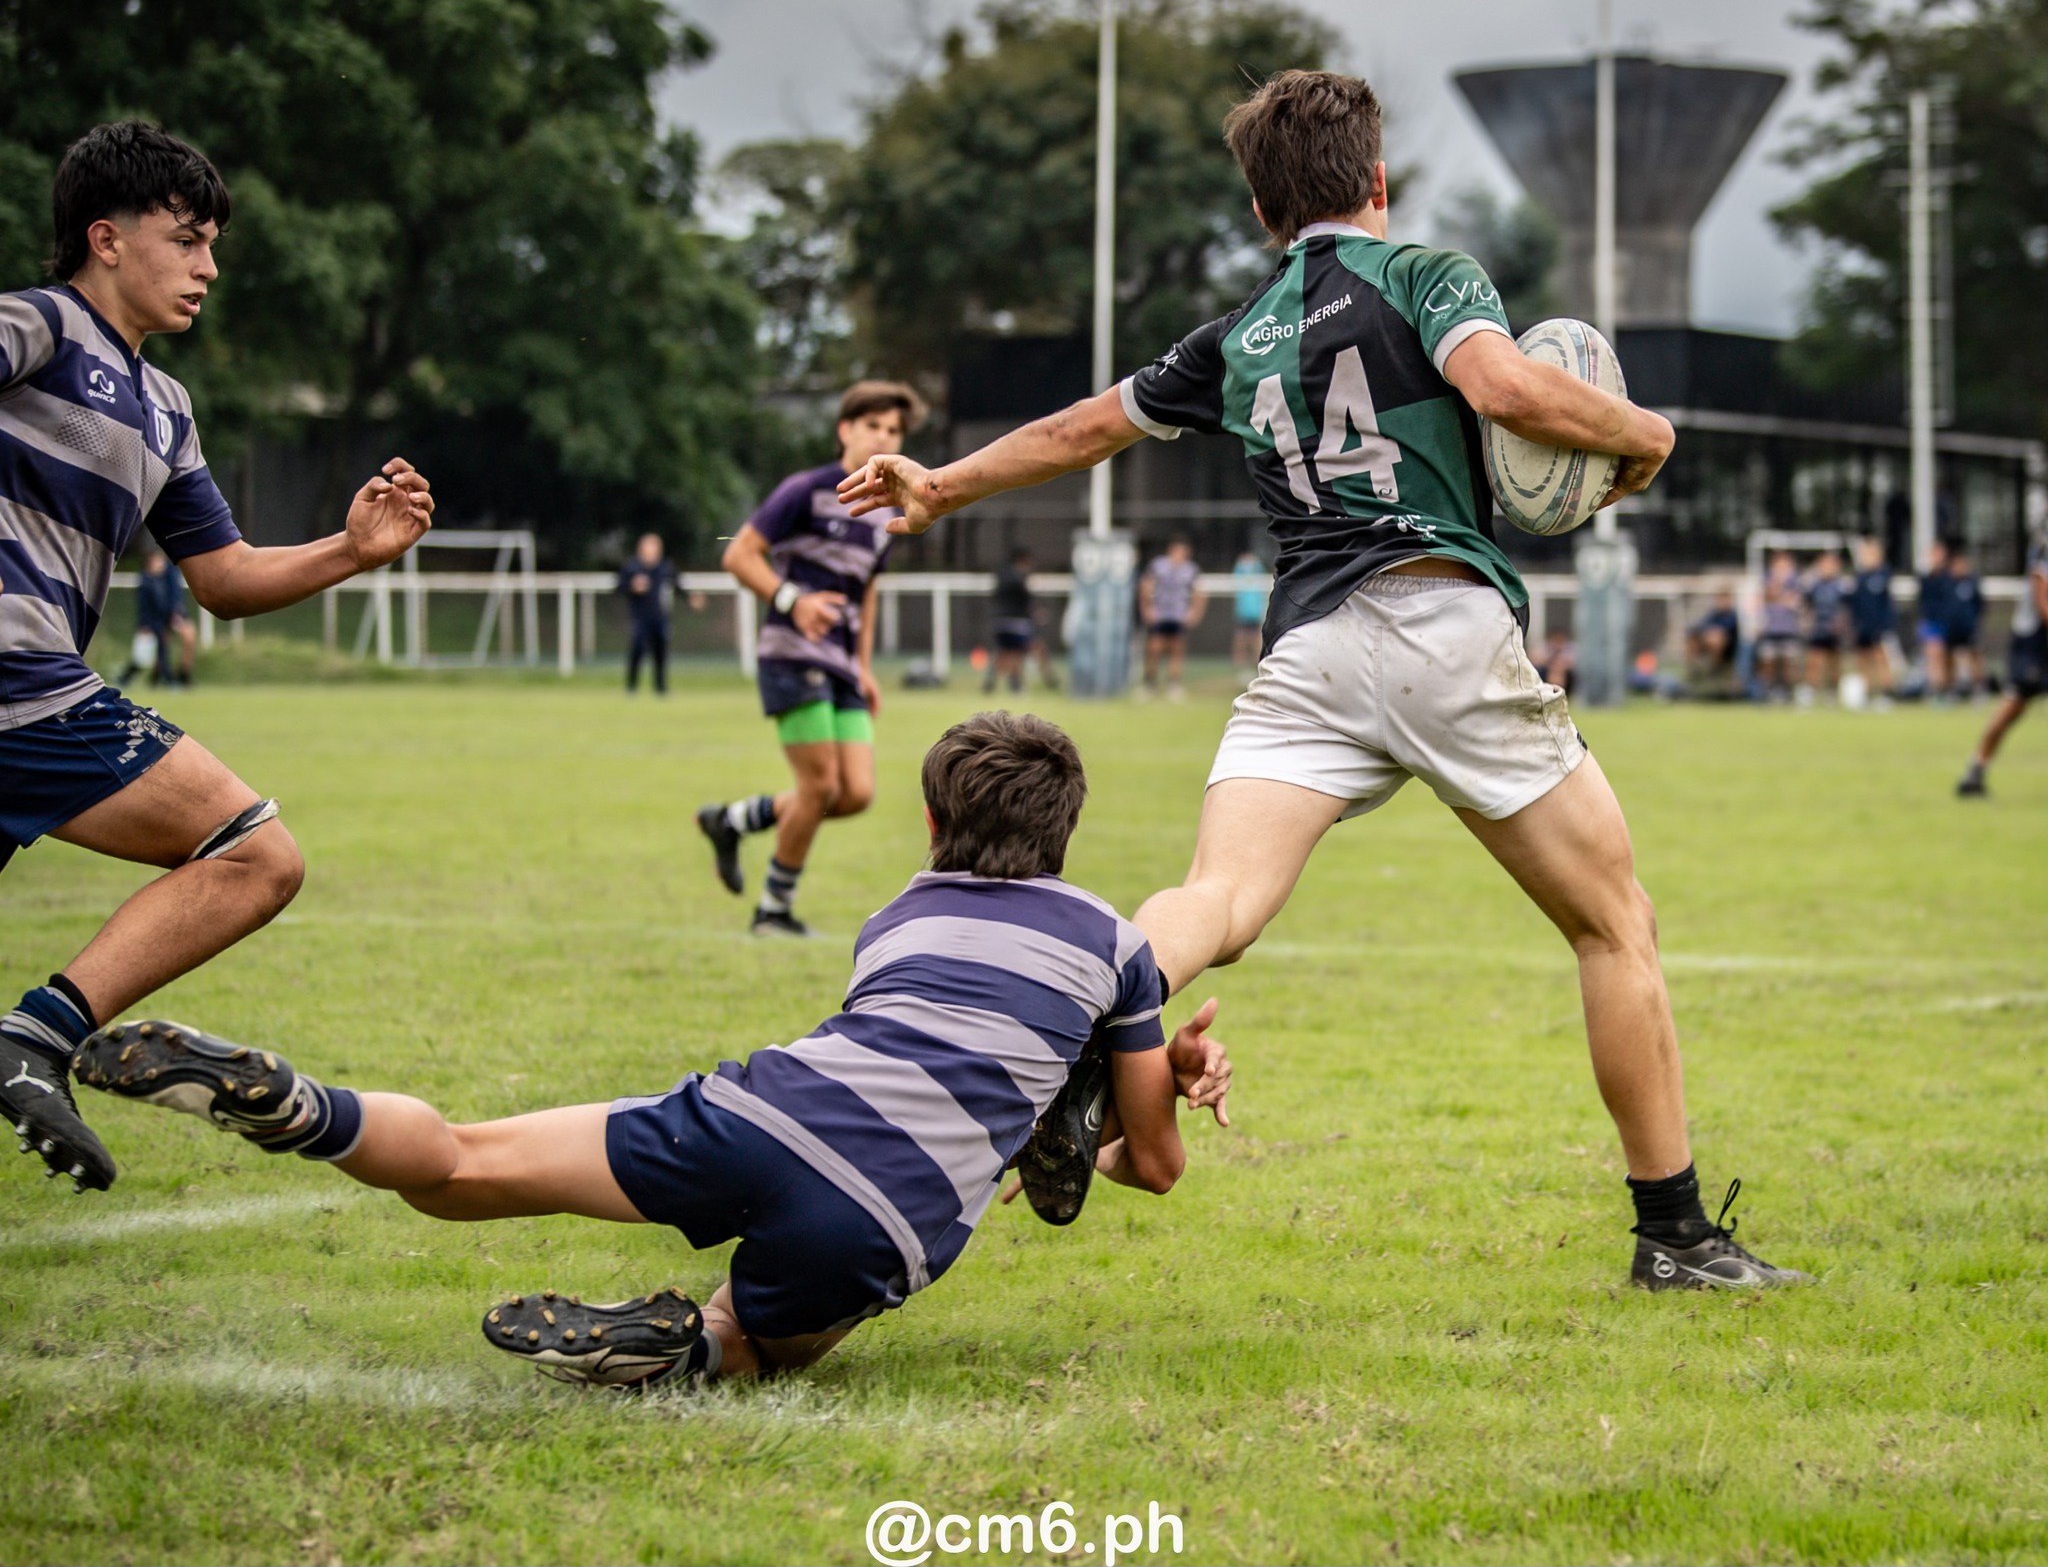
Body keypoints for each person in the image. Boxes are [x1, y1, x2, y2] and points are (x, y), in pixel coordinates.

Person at [841, 67, 1803, 1291]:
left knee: (1217, 901)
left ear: (1261, 212)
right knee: (1613, 924)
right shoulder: (1426, 275)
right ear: (1377, 184)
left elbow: (1083, 427)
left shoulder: (1235, 336)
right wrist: (1646, 434)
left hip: (1307, 651)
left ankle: (1072, 1053)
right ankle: (1673, 1234)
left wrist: (940, 483)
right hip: (1438, 621)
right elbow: (1501, 387)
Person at [69, 713, 1234, 1388]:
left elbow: (942, 1048)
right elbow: (1144, 1165)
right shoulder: (1116, 944)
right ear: (1065, 829)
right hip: (887, 1210)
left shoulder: (899, 918)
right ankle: (693, 1342)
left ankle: (307, 1106)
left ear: (931, 825)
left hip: (769, 1104)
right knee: (772, 1338)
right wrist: (1153, 1077)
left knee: (464, 1166)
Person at [0, 121, 434, 1193]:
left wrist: (351, 547)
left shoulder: (165, 407)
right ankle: (34, 1037)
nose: (209, 266)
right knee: (256, 852)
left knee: (254, 855)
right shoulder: (40, 325)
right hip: (20, 678)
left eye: (212, 245)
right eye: (187, 238)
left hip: (30, 684)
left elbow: (225, 578)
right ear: (105, 237)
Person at [695, 382, 924, 937]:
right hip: (791, 654)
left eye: (894, 431)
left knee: (855, 794)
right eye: (874, 426)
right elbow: (738, 553)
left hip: (842, 662)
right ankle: (774, 911)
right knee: (819, 787)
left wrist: (864, 666)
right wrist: (792, 601)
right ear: (845, 430)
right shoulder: (804, 490)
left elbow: (866, 592)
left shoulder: (886, 511)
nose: (885, 438)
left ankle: (732, 820)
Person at [1956, 523, 2048, 797]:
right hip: (2034, 642)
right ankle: (1975, 771)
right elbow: (2043, 601)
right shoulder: (2044, 549)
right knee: (2013, 707)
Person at [115, 549, 195, 688]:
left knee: (170, 646)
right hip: (155, 621)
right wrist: (144, 624)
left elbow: (175, 597)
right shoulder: (146, 582)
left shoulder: (170, 575)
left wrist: (175, 614)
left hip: (169, 617)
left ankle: (177, 678)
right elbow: (144, 607)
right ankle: (163, 680)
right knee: (150, 653)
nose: (159, 564)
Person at [1139, 538, 1205, 701]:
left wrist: (1194, 613)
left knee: (1176, 650)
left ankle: (1173, 685)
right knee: (1154, 649)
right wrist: (1147, 609)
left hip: (1178, 615)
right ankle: (1149, 684)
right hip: (1160, 615)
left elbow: (1199, 592)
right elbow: (1145, 586)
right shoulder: (1158, 566)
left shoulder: (1190, 570)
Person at [985, 546, 1057, 694]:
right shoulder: (1018, 578)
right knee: (1021, 652)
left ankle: (992, 681)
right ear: (1023, 560)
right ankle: (1029, 684)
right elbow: (1027, 599)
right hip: (1017, 623)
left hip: (999, 621)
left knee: (1006, 652)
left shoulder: (1001, 576)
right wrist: (1036, 611)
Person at [617, 532, 674, 695]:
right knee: (637, 649)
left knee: (661, 652)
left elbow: (678, 584)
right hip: (640, 617)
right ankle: (631, 686)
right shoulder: (632, 567)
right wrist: (633, 587)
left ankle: (660, 687)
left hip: (660, 617)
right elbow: (619, 587)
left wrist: (692, 597)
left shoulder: (665, 568)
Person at [1846, 537, 1896, 699]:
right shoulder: (1859, 578)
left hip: (1879, 626)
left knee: (1880, 657)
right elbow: (1854, 603)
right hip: (1862, 626)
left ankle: (1886, 692)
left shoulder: (1883, 575)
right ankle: (1865, 692)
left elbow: (1887, 604)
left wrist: (1886, 625)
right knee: (1863, 659)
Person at [1801, 549, 1848, 701]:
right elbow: (1806, 604)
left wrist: (1841, 622)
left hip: (1835, 630)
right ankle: (1809, 691)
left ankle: (1831, 693)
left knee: (1834, 663)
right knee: (1814, 661)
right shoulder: (1814, 585)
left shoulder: (1842, 586)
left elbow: (1847, 608)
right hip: (1818, 628)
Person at [1757, 552, 1802, 702]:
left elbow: (1794, 601)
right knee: (1768, 662)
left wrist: (1780, 595)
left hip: (1789, 630)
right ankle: (1767, 692)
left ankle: (1789, 693)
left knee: (1789, 663)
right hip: (1770, 630)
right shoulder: (1767, 580)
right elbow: (1767, 596)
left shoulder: (1795, 582)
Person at [1944, 546, 1984, 699]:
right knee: (1949, 658)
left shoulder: (1972, 582)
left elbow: (1980, 604)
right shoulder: (1946, 583)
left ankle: (1978, 689)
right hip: (1952, 628)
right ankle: (1951, 691)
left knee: (1974, 656)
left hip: (1969, 627)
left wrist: (1974, 620)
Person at [1685, 588, 1741, 697]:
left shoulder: (1732, 615)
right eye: (1720, 599)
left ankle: (1714, 669)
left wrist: (1712, 633)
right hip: (1708, 646)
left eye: (1725, 599)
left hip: (1728, 650)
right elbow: (1699, 626)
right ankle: (1693, 670)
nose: (1722, 602)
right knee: (1693, 638)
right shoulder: (1713, 614)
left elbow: (1727, 631)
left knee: (1716, 638)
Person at [1917, 539, 1953, 697]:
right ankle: (1936, 691)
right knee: (1933, 657)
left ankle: (1948, 690)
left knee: (1948, 659)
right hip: (1932, 623)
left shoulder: (1949, 577)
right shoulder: (1925, 578)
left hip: (1949, 623)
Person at [1230, 548, 1269, 681]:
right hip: (1243, 615)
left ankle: (1256, 672)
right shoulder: (1240, 571)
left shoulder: (1258, 571)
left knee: (1256, 644)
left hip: (1255, 615)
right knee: (1240, 643)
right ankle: (1239, 673)